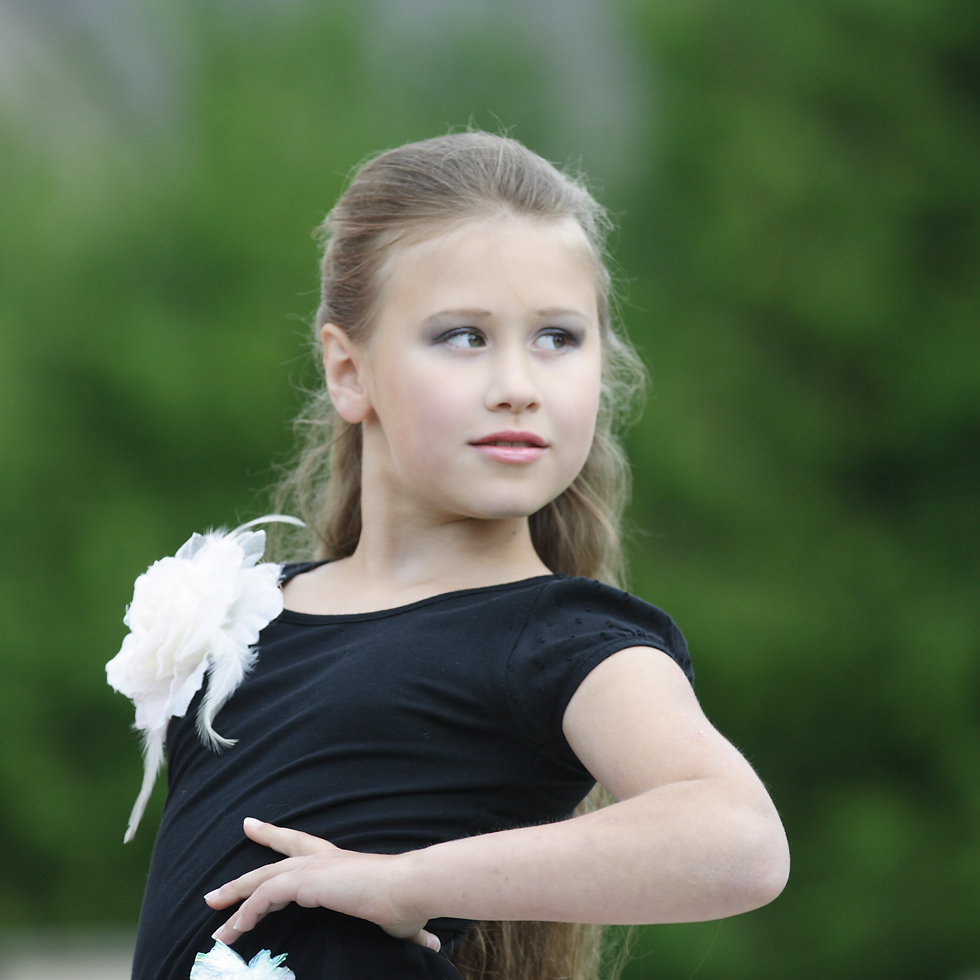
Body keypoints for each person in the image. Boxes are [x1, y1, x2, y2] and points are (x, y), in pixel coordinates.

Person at [118, 131, 789, 980]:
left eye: (557, 337)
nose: (518, 384)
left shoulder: (560, 637)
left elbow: (741, 840)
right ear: (348, 370)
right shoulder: (253, 608)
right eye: (464, 336)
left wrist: (408, 882)